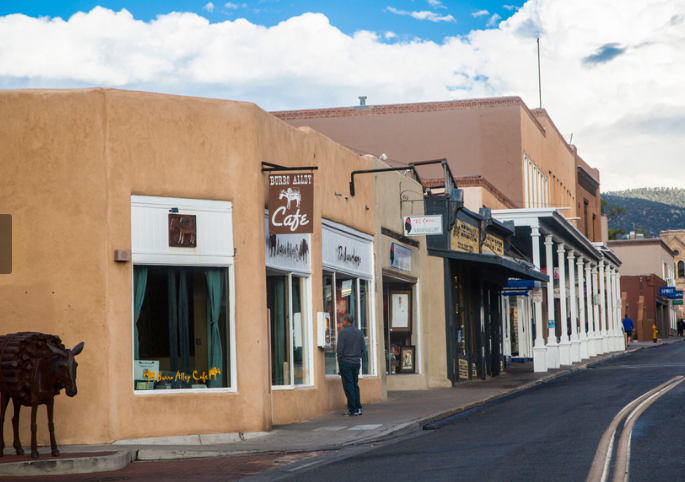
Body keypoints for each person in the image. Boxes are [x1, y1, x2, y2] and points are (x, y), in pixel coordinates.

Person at [337, 313, 366, 416]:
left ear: (345, 321)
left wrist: (339, 362)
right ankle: (358, 408)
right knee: (354, 385)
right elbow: (363, 349)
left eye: (342, 321)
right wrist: (358, 357)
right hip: (356, 362)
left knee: (348, 386)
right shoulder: (359, 333)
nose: (342, 323)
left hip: (346, 362)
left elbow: (339, 350)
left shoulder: (343, 333)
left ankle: (352, 409)